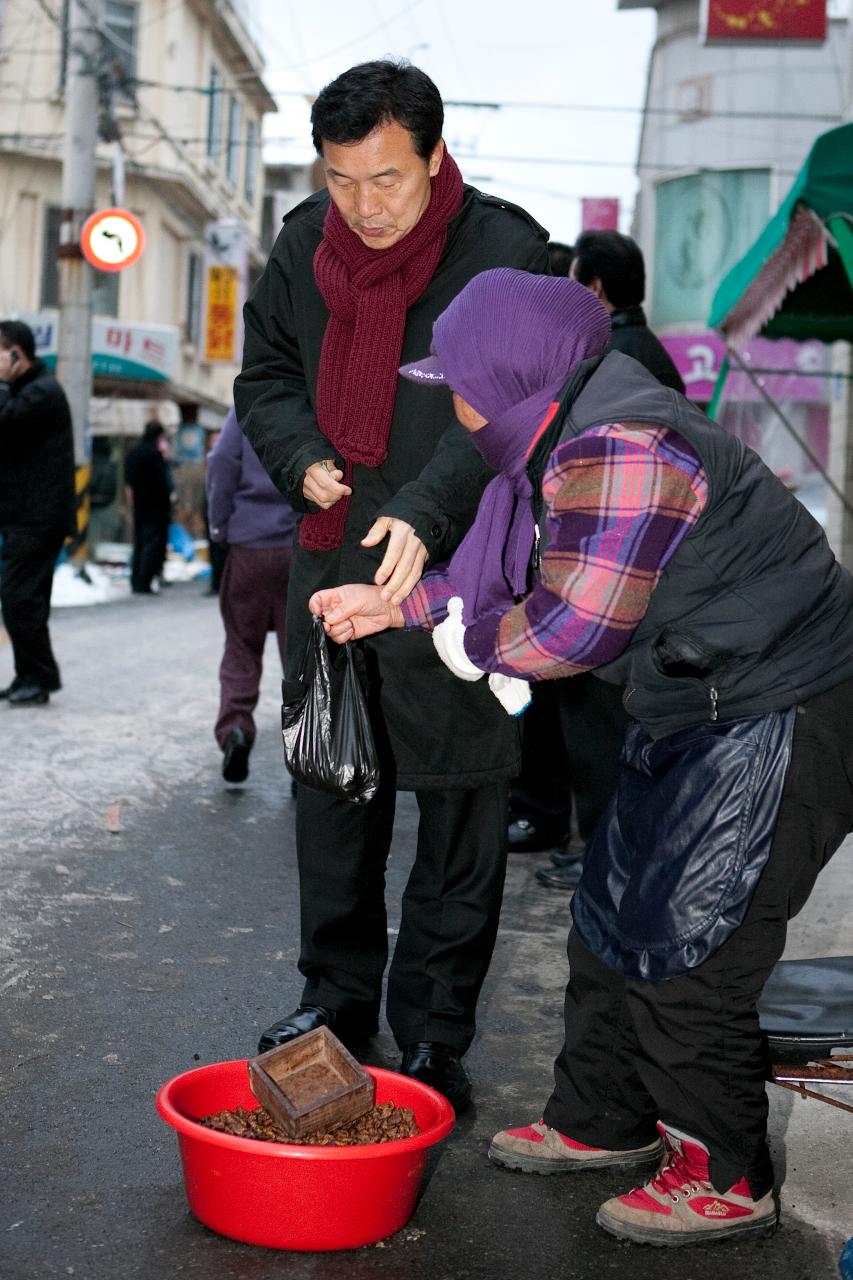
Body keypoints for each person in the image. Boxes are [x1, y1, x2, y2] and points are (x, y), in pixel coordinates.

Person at [309, 268, 853, 1247]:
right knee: (610, 914)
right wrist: (399, 604)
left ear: (516, 374)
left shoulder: (621, 447)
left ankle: (723, 1171)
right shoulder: (556, 436)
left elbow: (568, 629)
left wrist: (464, 642)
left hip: (781, 701)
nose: (461, 409)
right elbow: (529, 576)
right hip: (694, 695)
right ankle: (604, 1118)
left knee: (695, 942)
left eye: (465, 386)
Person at [234, 59, 549, 1111]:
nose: (362, 208)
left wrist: (427, 503)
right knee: (331, 787)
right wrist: (293, 452)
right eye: (340, 180)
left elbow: (519, 404)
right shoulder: (298, 244)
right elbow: (266, 371)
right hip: (331, 559)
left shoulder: (505, 251)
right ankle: (332, 999)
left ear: (434, 154)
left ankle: (432, 1029)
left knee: (461, 807)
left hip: (457, 571)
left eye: (387, 181)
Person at [206, 408, 296, 784]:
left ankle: (236, 729)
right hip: (300, 550)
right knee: (302, 655)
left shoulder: (250, 404)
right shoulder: (312, 397)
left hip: (248, 549)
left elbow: (223, 460)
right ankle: (304, 754)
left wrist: (219, 524)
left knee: (242, 645)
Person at [0, 319, 75, 706]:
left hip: (36, 517)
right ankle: (30, 676)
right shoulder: (27, 390)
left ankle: (39, 676)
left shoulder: (41, 394)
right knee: (25, 599)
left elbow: (4, 423)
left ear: (16, 354)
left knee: (18, 598)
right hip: (27, 515)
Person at [571, 228, 685, 392]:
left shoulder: (604, 363)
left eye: (572, 284)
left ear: (595, 287)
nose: (568, 296)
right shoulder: (650, 350)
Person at [125, 422, 172, 594]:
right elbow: (162, 482)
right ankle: (144, 581)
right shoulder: (154, 454)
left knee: (139, 543)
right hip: (156, 506)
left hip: (139, 504)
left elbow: (128, 478)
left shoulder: (133, 452)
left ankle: (136, 580)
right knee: (151, 544)